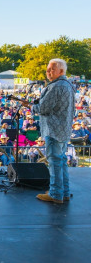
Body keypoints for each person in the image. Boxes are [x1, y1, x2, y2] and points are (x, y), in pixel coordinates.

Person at [22, 58, 75, 204]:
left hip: (54, 129)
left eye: (52, 69)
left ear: (61, 71)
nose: (48, 71)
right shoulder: (68, 85)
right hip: (63, 129)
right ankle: (63, 192)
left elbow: (43, 108)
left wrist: (30, 106)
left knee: (54, 162)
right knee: (62, 161)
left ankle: (55, 194)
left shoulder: (56, 86)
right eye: (47, 69)